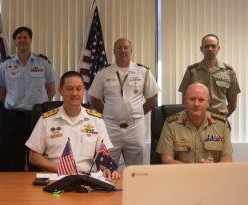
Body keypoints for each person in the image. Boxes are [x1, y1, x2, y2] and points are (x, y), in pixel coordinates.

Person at [26, 71, 120, 179]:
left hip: (87, 178)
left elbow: (103, 153)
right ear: (61, 91)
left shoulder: (96, 120)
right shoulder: (46, 120)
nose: (75, 93)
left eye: (79, 89)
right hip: (55, 176)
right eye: (69, 89)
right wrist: (58, 168)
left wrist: (108, 168)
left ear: (84, 90)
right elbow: (33, 156)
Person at [88, 38, 160, 166]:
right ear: (114, 51)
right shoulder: (103, 73)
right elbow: (93, 99)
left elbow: (152, 99)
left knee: (137, 170)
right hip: (110, 127)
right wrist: (108, 113)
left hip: (135, 127)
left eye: (126, 48)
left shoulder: (143, 72)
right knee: (106, 167)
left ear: (131, 50)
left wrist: (136, 112)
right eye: (119, 48)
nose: (123, 50)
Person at [0, 26, 56, 171]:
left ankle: (36, 187)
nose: (22, 40)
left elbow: (51, 88)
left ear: (30, 40)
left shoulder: (43, 62)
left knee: (37, 155)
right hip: (13, 117)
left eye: (25, 37)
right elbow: (0, 91)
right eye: (19, 38)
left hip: (37, 116)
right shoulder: (6, 64)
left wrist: (40, 106)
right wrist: (13, 104)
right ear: (14, 41)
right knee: (14, 155)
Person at [157, 82, 233, 164]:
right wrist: (194, 169)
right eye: (192, 99)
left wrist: (213, 166)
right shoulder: (171, 124)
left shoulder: (221, 124)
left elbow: (226, 159)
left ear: (208, 102)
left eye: (201, 100)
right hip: (182, 175)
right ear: (185, 100)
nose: (196, 104)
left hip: (211, 174)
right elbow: (167, 160)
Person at [179, 34, 241, 117]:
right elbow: (185, 101)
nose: (210, 49)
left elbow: (232, 104)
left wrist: (222, 118)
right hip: (196, 120)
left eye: (213, 46)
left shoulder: (229, 72)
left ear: (218, 48)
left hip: (220, 119)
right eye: (207, 46)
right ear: (201, 49)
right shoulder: (191, 71)